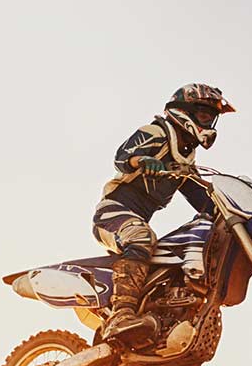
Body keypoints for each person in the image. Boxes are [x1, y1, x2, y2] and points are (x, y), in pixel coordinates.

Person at [92, 83, 235, 339]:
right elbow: (121, 156)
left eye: (211, 118)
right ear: (185, 111)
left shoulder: (185, 160)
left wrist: (234, 204)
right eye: (204, 115)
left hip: (137, 220)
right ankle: (121, 315)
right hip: (113, 213)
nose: (209, 123)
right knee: (142, 237)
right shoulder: (157, 132)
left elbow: (202, 199)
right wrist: (142, 160)